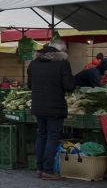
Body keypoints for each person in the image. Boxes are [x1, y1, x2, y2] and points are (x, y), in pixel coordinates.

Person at [27, 39, 75, 180]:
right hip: (55, 106)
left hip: (38, 105)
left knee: (41, 135)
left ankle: (40, 168)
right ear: (60, 51)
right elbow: (69, 86)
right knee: (52, 136)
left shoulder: (33, 63)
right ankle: (48, 170)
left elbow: (29, 85)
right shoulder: (62, 63)